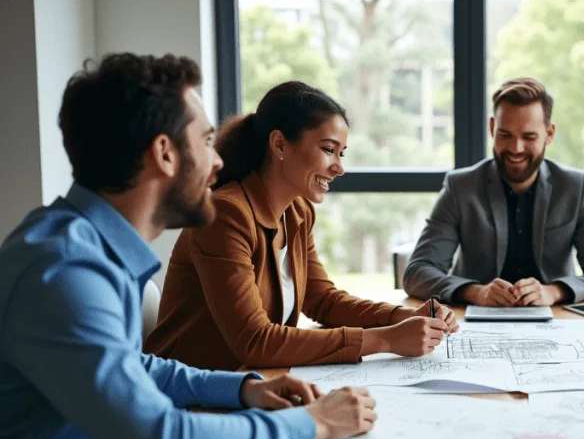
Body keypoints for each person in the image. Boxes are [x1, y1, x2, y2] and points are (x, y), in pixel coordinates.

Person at [0, 54, 378, 439]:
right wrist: (313, 424)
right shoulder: (65, 272)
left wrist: (242, 389)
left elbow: (131, 366)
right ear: (164, 153)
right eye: (204, 141)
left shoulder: (88, 249)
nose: (219, 159)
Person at [144, 81, 458, 371]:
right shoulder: (225, 214)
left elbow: (322, 300)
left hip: (251, 383)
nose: (339, 167)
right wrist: (386, 339)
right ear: (280, 144)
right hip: (191, 397)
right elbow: (255, 342)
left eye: (341, 153)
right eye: (328, 149)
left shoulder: (297, 212)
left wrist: (401, 316)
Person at [402, 77, 584, 306]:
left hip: (557, 320)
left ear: (549, 134)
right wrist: (475, 292)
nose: (516, 148)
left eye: (529, 137)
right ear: (491, 128)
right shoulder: (460, 187)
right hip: (473, 322)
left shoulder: (575, 187)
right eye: (505, 135)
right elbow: (417, 273)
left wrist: (554, 291)